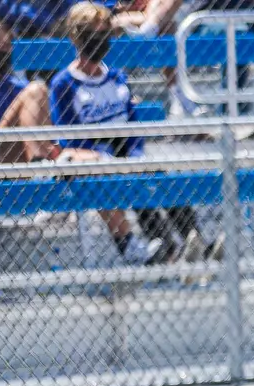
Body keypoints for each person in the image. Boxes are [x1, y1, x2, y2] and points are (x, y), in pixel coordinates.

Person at [50, 2, 204, 263]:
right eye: (92, 34)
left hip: (124, 152)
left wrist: (134, 154)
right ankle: (167, 249)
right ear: (76, 37)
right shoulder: (64, 83)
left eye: (104, 33)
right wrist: (107, 158)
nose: (99, 40)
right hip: (95, 159)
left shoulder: (116, 77)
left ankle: (195, 239)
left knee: (154, 173)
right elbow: (68, 138)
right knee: (129, 179)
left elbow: (133, 127)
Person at [0, 17, 54, 164]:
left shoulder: (21, 88)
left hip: (18, 149)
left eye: (6, 45)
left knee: (37, 89)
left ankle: (39, 163)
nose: (2, 50)